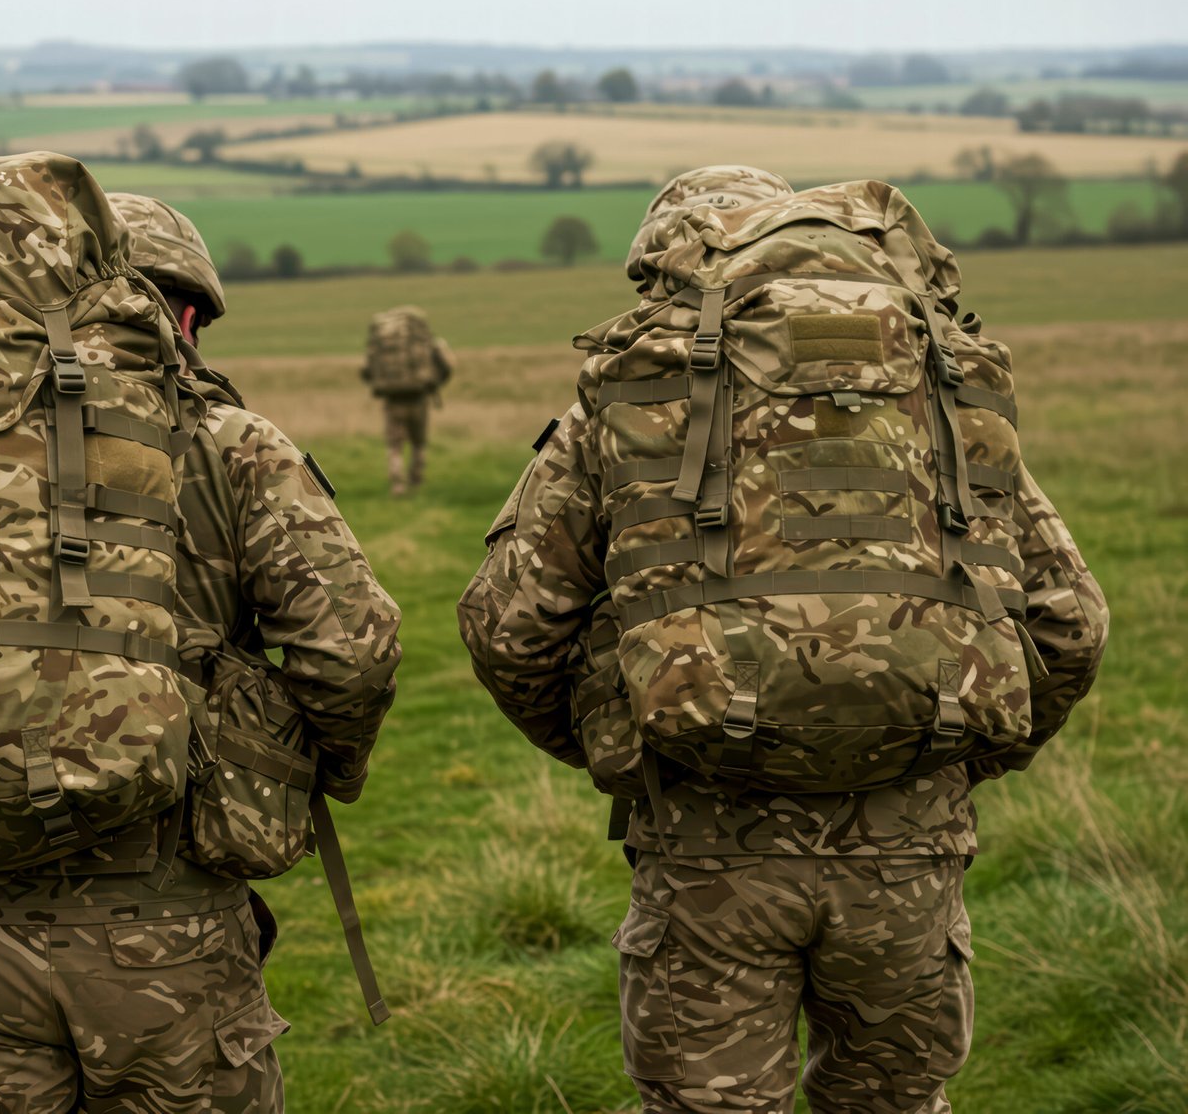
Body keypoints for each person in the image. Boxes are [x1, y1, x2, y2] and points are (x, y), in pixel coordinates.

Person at [457, 165, 1108, 1113]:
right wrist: (952, 757)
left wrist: (635, 742)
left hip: (705, 838)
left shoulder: (635, 392)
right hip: (910, 842)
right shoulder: (937, 388)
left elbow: (510, 629)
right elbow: (1071, 624)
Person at [0, 192, 402, 1114]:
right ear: (185, 316)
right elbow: (351, 648)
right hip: (165, 914)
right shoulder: (227, 443)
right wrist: (314, 767)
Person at [361, 305, 454, 496]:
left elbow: (366, 370)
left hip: (393, 400)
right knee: (418, 443)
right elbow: (448, 365)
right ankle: (416, 481)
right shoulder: (426, 340)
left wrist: (381, 385)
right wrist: (434, 384)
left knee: (394, 445)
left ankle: (397, 485)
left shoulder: (382, 345)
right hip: (419, 398)